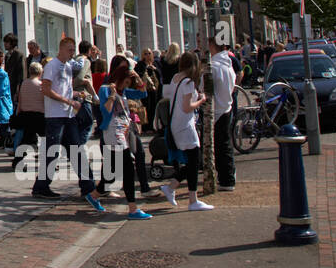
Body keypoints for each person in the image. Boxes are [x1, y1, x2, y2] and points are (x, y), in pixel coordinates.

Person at [31, 37, 104, 212]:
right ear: (62, 49)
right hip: (56, 117)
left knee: (76, 150)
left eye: (73, 50)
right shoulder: (52, 66)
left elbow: (63, 88)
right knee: (53, 153)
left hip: (67, 115)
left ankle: (88, 188)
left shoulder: (67, 66)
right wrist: (69, 101)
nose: (72, 53)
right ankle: (42, 187)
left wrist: (75, 95)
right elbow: (46, 89)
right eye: (70, 50)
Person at [98, 57, 152, 219]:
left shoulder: (125, 91)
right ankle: (133, 209)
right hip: (113, 134)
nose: (128, 81)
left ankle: (93, 195)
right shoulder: (106, 89)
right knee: (127, 169)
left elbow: (143, 93)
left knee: (112, 171)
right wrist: (113, 96)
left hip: (125, 133)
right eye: (125, 71)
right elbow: (106, 111)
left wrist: (137, 77)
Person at [160, 53, 212, 211]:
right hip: (185, 124)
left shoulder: (176, 77)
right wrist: (202, 100)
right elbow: (187, 106)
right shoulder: (188, 82)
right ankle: (191, 199)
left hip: (176, 123)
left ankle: (176, 189)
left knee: (192, 161)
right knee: (194, 161)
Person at [209, 39, 237, 192]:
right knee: (225, 143)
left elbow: (205, 87)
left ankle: (227, 179)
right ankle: (228, 175)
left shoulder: (214, 67)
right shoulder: (227, 65)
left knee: (221, 145)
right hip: (226, 106)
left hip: (219, 109)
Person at [12, 62, 47, 155]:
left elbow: (20, 100)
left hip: (26, 114)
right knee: (45, 139)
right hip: (39, 115)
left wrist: (18, 113)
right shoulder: (41, 85)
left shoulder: (23, 83)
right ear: (40, 72)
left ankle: (18, 160)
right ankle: (49, 160)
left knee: (26, 139)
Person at [4, 34, 27, 110]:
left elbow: (22, 74)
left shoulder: (19, 55)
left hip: (15, 88)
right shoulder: (7, 55)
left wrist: (18, 90)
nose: (5, 44)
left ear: (12, 43)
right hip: (8, 88)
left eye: (7, 42)